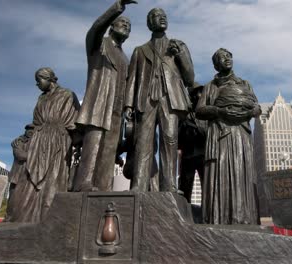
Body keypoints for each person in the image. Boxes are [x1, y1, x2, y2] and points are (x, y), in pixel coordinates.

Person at [125, 8, 195, 192]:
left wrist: (180, 55)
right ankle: (138, 185)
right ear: (149, 23)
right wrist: (128, 105)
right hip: (146, 98)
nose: (162, 18)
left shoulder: (177, 46)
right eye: (157, 16)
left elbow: (189, 78)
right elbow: (132, 79)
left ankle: (169, 185)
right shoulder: (139, 51)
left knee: (170, 140)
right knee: (143, 142)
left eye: (164, 15)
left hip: (169, 99)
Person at [73, 0, 137, 192]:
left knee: (110, 150)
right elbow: (95, 28)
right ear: (112, 26)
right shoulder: (98, 45)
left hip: (117, 110)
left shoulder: (125, 58)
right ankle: (83, 183)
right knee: (93, 145)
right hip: (100, 105)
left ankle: (103, 186)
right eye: (122, 22)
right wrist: (118, 7)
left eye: (129, 25)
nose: (126, 26)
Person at [196, 48, 261, 225]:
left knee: (241, 173)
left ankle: (245, 218)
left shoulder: (245, 84)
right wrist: (218, 111)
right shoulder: (211, 87)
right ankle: (219, 218)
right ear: (216, 64)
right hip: (220, 135)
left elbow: (257, 108)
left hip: (240, 135)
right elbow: (200, 110)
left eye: (229, 56)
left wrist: (250, 111)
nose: (227, 59)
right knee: (220, 173)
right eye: (222, 57)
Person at [8, 67, 79, 223]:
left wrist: (78, 145)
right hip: (38, 142)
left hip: (58, 142)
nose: (37, 84)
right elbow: (35, 124)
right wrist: (22, 140)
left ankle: (48, 221)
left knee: (52, 184)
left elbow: (76, 123)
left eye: (38, 80)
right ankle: (24, 220)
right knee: (27, 184)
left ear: (48, 78)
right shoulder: (41, 98)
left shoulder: (67, 95)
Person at [178, 83, 207, 202]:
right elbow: (177, 135)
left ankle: (207, 214)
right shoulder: (184, 115)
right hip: (188, 156)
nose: (199, 96)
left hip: (203, 155)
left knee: (206, 186)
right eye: (196, 93)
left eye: (200, 93)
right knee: (185, 187)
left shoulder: (205, 115)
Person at [4, 124, 34, 221]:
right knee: (13, 196)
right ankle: (9, 217)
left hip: (28, 174)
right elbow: (20, 155)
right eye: (28, 129)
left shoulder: (35, 143)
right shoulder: (19, 142)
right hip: (17, 174)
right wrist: (36, 156)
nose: (30, 132)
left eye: (32, 130)